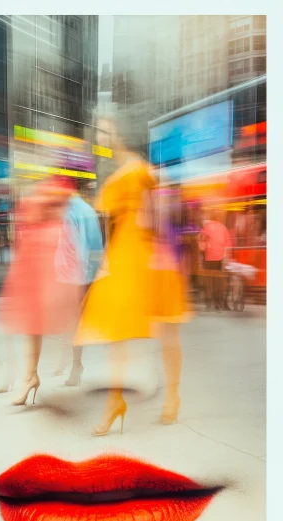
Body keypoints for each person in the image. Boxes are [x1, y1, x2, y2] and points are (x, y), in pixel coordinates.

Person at [74, 114, 191, 436]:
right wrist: (106, 262)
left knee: (167, 328)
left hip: (148, 255)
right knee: (117, 330)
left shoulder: (142, 171)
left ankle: (173, 395)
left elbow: (155, 217)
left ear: (122, 132)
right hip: (124, 256)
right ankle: (115, 401)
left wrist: (154, 237)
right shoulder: (119, 173)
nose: (100, 134)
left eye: (106, 128)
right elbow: (112, 226)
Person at [0, 176, 83, 404]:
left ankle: (33, 375)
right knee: (30, 323)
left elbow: (58, 217)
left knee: (37, 321)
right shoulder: (44, 195)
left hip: (45, 261)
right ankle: (30, 376)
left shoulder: (55, 194)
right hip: (35, 262)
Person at [53, 189, 104, 386]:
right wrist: (93, 273)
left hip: (70, 276)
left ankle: (75, 365)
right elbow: (97, 247)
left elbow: (71, 247)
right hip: (83, 276)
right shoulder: (89, 211)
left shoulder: (69, 212)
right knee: (74, 322)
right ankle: (69, 361)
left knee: (71, 323)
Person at [199, 209, 232, 312]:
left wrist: (202, 251)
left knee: (209, 280)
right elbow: (228, 244)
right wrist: (226, 257)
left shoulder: (206, 227)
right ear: (218, 218)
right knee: (218, 280)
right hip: (220, 258)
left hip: (209, 257)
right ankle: (218, 303)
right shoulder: (223, 227)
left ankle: (209, 302)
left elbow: (201, 241)